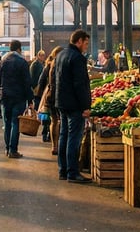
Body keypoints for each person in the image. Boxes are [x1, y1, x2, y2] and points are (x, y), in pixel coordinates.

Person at [54, 29, 92, 183]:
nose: (87, 46)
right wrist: (85, 106)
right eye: (86, 43)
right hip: (75, 104)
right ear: (79, 41)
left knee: (64, 135)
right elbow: (80, 84)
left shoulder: (61, 55)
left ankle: (63, 170)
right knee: (74, 138)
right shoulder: (78, 58)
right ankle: (72, 172)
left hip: (62, 102)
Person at [0, 39, 33, 158]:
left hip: (5, 97)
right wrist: (30, 100)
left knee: (7, 123)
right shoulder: (22, 62)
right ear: (19, 49)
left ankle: (7, 149)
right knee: (16, 123)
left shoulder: (2, 62)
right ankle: (13, 150)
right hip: (19, 97)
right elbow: (27, 83)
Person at [35, 45, 64, 153]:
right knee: (61, 120)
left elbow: (41, 81)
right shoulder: (63, 65)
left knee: (54, 121)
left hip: (50, 95)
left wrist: (41, 95)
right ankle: (60, 145)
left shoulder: (48, 65)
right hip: (61, 96)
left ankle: (54, 146)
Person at [29, 49, 50, 141]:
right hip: (39, 91)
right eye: (42, 55)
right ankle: (42, 127)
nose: (43, 57)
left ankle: (44, 129)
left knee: (44, 111)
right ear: (38, 56)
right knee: (41, 110)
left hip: (43, 91)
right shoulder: (35, 65)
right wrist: (35, 88)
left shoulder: (42, 65)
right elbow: (34, 78)